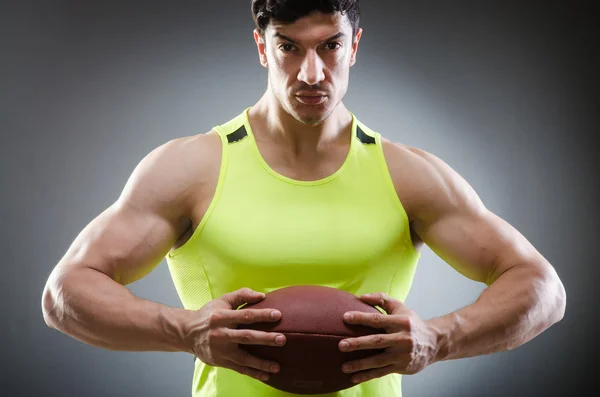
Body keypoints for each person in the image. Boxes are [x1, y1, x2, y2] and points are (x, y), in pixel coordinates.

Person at [41, 1, 566, 396]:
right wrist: (184, 329)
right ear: (261, 46)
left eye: (330, 46)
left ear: (354, 46)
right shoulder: (190, 168)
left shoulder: (409, 174)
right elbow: (66, 293)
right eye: (289, 46)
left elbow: (541, 286)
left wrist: (440, 337)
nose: (311, 73)